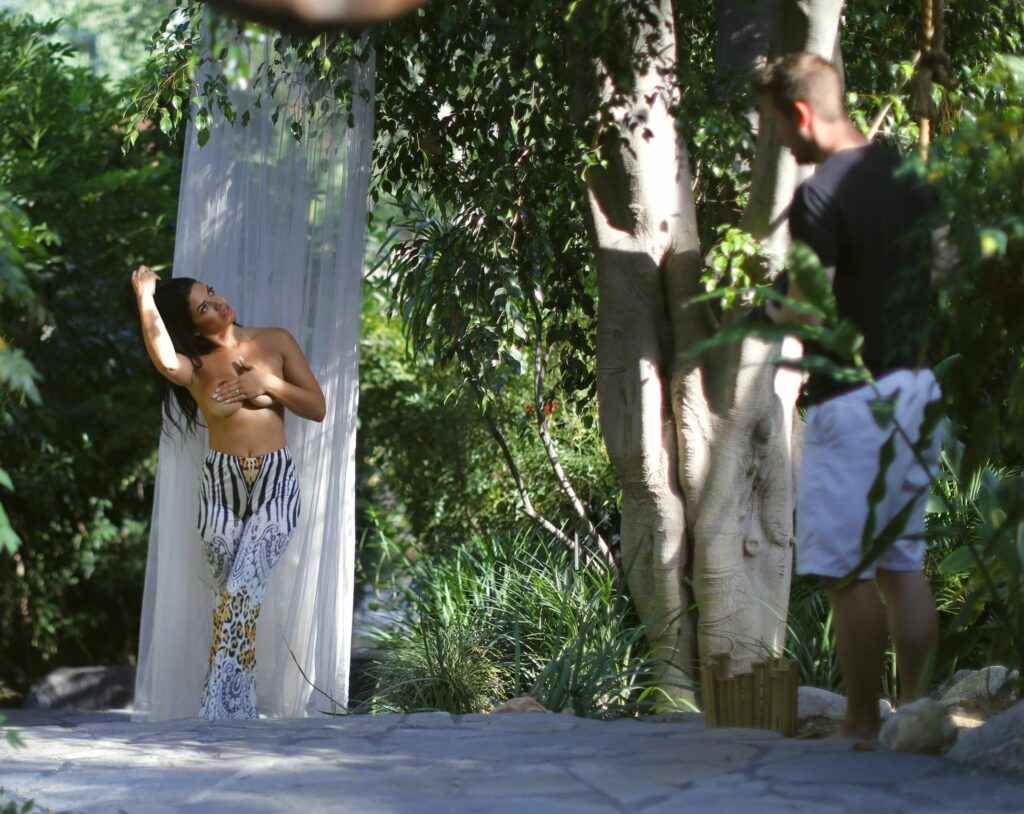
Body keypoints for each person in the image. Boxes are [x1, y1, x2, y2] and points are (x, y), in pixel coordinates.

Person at [755, 53, 942, 744]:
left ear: (802, 114)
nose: (780, 141)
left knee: (849, 572)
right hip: (918, 388)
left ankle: (862, 724)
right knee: (903, 562)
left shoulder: (820, 196)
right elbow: (942, 265)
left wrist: (766, 306)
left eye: (777, 127)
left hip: (854, 400)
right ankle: (917, 717)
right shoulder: (907, 172)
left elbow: (807, 310)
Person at [131, 265, 326, 720]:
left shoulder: (274, 341)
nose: (219, 303)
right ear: (192, 327)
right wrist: (145, 296)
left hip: (275, 484)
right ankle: (240, 710)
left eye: (213, 293)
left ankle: (216, 713)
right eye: (204, 306)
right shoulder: (195, 365)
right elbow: (165, 360)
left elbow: (317, 407)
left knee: (240, 590)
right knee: (234, 598)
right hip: (220, 488)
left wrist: (268, 384)